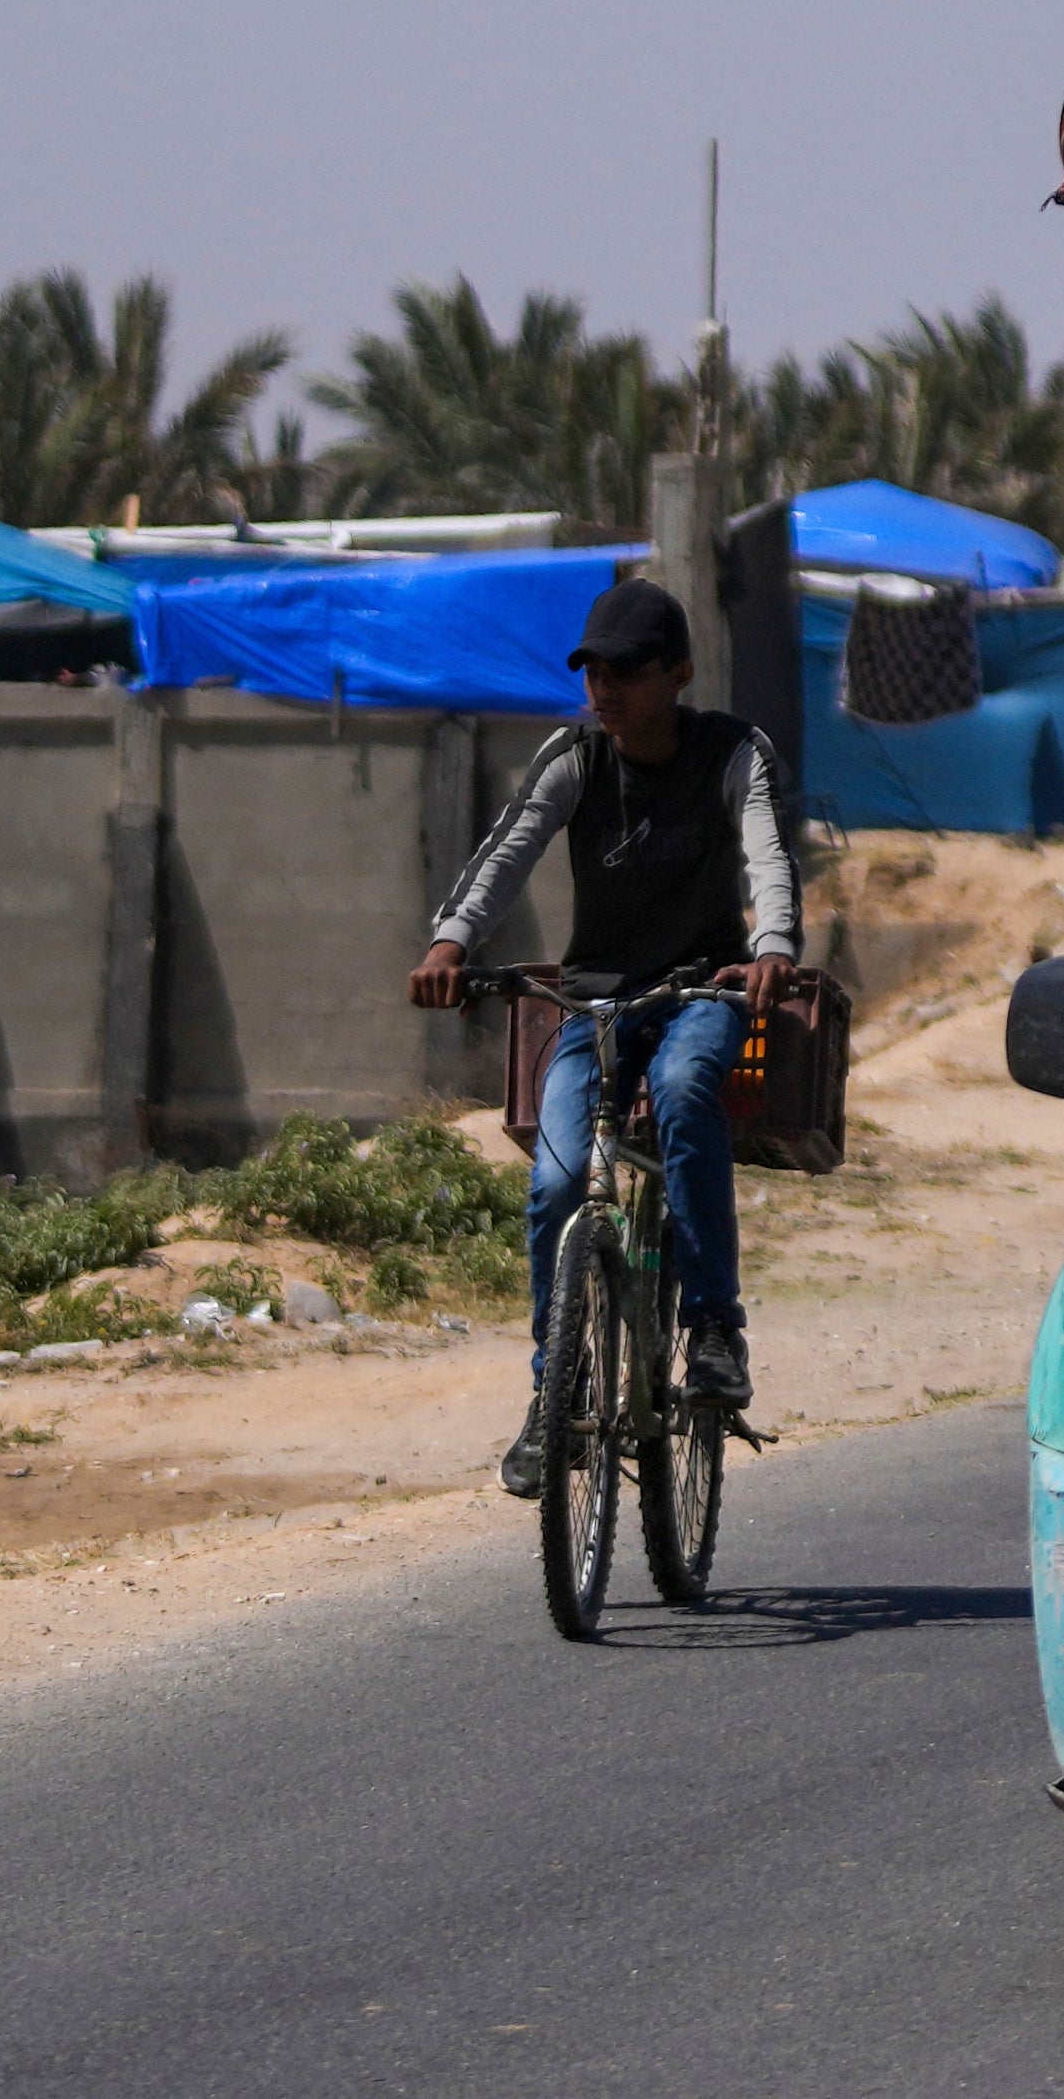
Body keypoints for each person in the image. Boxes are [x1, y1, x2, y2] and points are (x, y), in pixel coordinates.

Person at [408, 580, 800, 1497]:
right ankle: (557, 1396)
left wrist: (773, 946)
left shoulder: (732, 752)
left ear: (679, 673)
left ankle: (712, 1330)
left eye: (627, 670)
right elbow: (507, 851)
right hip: (594, 1003)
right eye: (593, 669)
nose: (605, 688)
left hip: (704, 987)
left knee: (684, 1094)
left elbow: (768, 852)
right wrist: (449, 941)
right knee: (553, 1182)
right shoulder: (575, 758)